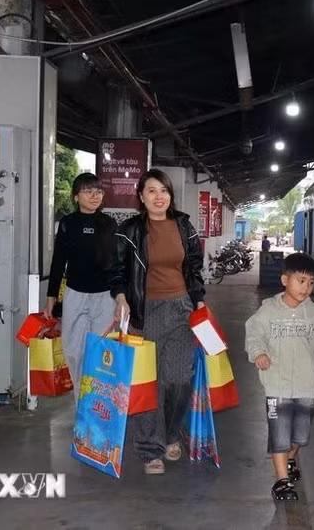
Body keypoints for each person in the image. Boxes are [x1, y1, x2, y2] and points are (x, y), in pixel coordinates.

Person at [110, 169, 205, 475]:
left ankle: (172, 433)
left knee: (178, 378)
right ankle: (151, 448)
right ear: (141, 197)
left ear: (170, 195)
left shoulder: (184, 225)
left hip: (180, 308)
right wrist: (121, 297)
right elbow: (117, 270)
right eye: (151, 191)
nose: (158, 196)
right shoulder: (130, 230)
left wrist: (199, 300)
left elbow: (194, 267)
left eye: (163, 190)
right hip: (143, 311)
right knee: (148, 382)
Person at [245, 253, 314, 501]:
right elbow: (254, 334)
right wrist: (259, 353)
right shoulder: (267, 312)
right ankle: (281, 480)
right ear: (285, 280)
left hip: (307, 387)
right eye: (301, 280)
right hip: (276, 385)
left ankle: (291, 458)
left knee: (299, 436)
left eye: (311, 282)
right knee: (280, 434)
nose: (306, 287)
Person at [43, 173, 116, 404]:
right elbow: (58, 261)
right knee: (73, 351)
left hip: (105, 296)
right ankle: (81, 402)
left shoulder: (109, 223)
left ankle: (98, 406)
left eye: (98, 191)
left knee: (100, 352)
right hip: (75, 294)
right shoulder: (68, 223)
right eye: (88, 191)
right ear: (76, 196)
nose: (95, 196)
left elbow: (116, 262)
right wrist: (51, 296)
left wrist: (122, 296)